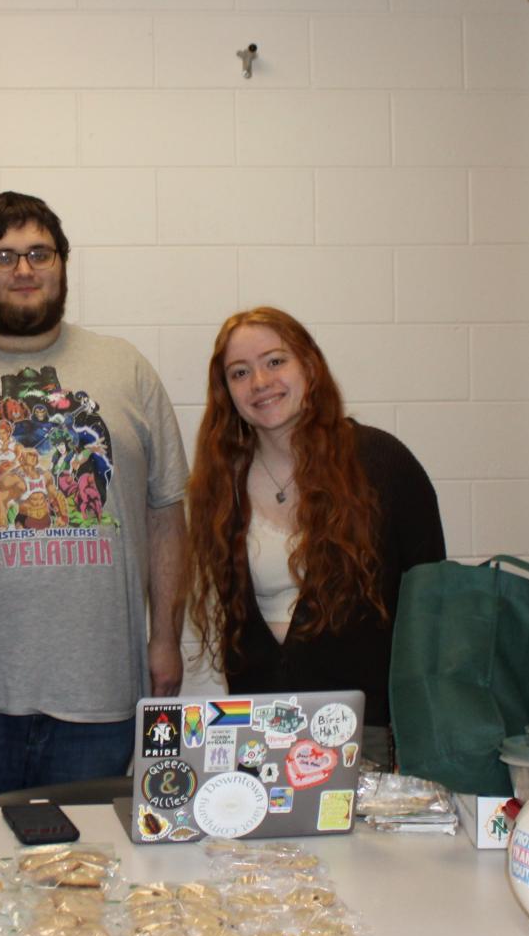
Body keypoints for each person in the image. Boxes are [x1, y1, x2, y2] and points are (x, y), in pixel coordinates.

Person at [0, 191, 189, 806]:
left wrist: (166, 640)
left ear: (62, 263)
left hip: (97, 686)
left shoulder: (126, 368)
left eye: (38, 253)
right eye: (1, 256)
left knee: (83, 879)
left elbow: (166, 516)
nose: (23, 270)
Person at [183, 306, 445, 769]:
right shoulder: (222, 483)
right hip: (259, 730)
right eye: (239, 372)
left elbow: (433, 607)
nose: (260, 381)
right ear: (227, 392)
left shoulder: (382, 464)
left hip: (366, 732)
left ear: (309, 364)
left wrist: (418, 733)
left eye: (275, 361)